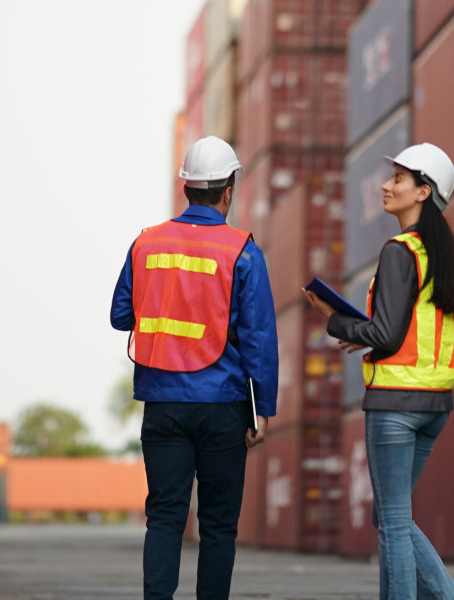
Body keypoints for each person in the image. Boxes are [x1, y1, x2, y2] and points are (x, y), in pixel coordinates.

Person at [112, 135, 279, 600]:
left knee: (164, 516)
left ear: (185, 187)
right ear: (229, 190)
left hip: (162, 405)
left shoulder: (146, 243)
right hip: (223, 407)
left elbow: (120, 315)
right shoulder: (243, 250)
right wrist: (261, 408)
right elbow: (259, 339)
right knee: (219, 525)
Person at [304, 143, 454, 600]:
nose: (385, 185)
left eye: (398, 178)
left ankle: (451, 598)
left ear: (423, 191)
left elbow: (388, 334)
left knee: (393, 521)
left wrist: (333, 318)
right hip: (435, 404)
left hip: (395, 403)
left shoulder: (399, 251)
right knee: (390, 515)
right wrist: (364, 332)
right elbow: (408, 326)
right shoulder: (445, 255)